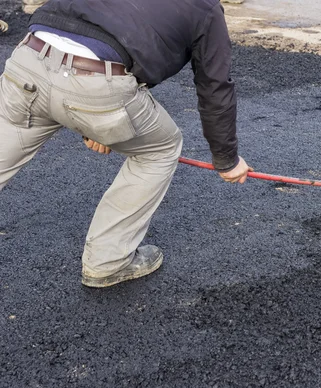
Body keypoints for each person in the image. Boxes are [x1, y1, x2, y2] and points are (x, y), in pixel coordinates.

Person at [0, 0, 252, 288]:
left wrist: (95, 129)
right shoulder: (205, 8)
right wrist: (227, 159)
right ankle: (108, 262)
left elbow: (89, 32)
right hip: (95, 83)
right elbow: (214, 87)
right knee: (160, 149)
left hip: (28, 58)